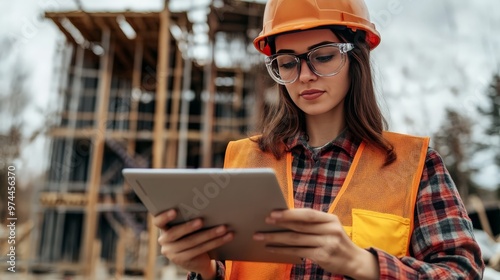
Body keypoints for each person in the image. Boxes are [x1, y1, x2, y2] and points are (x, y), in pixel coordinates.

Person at [153, 0, 485, 279]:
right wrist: (205, 270)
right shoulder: (244, 160)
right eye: (287, 63)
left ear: (356, 58)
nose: (305, 74)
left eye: (323, 56)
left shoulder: (416, 165)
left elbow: (463, 272)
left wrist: (363, 263)